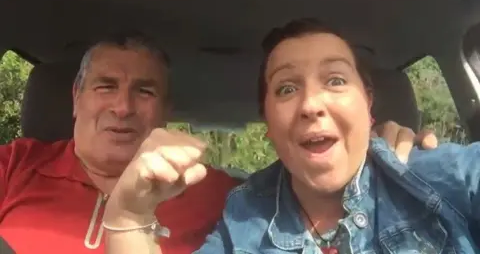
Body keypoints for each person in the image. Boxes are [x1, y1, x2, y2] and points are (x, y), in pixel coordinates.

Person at [0, 32, 436, 254]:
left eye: (145, 91)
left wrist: (371, 158)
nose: (122, 106)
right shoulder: (13, 166)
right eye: (105, 86)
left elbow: (318, 202)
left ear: (164, 111)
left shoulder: (233, 202)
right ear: (76, 98)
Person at [102, 19, 479, 254]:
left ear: (367, 106)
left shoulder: (439, 174)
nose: (311, 103)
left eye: (335, 80)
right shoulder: (243, 218)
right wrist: (130, 214)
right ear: (268, 125)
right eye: (285, 89)